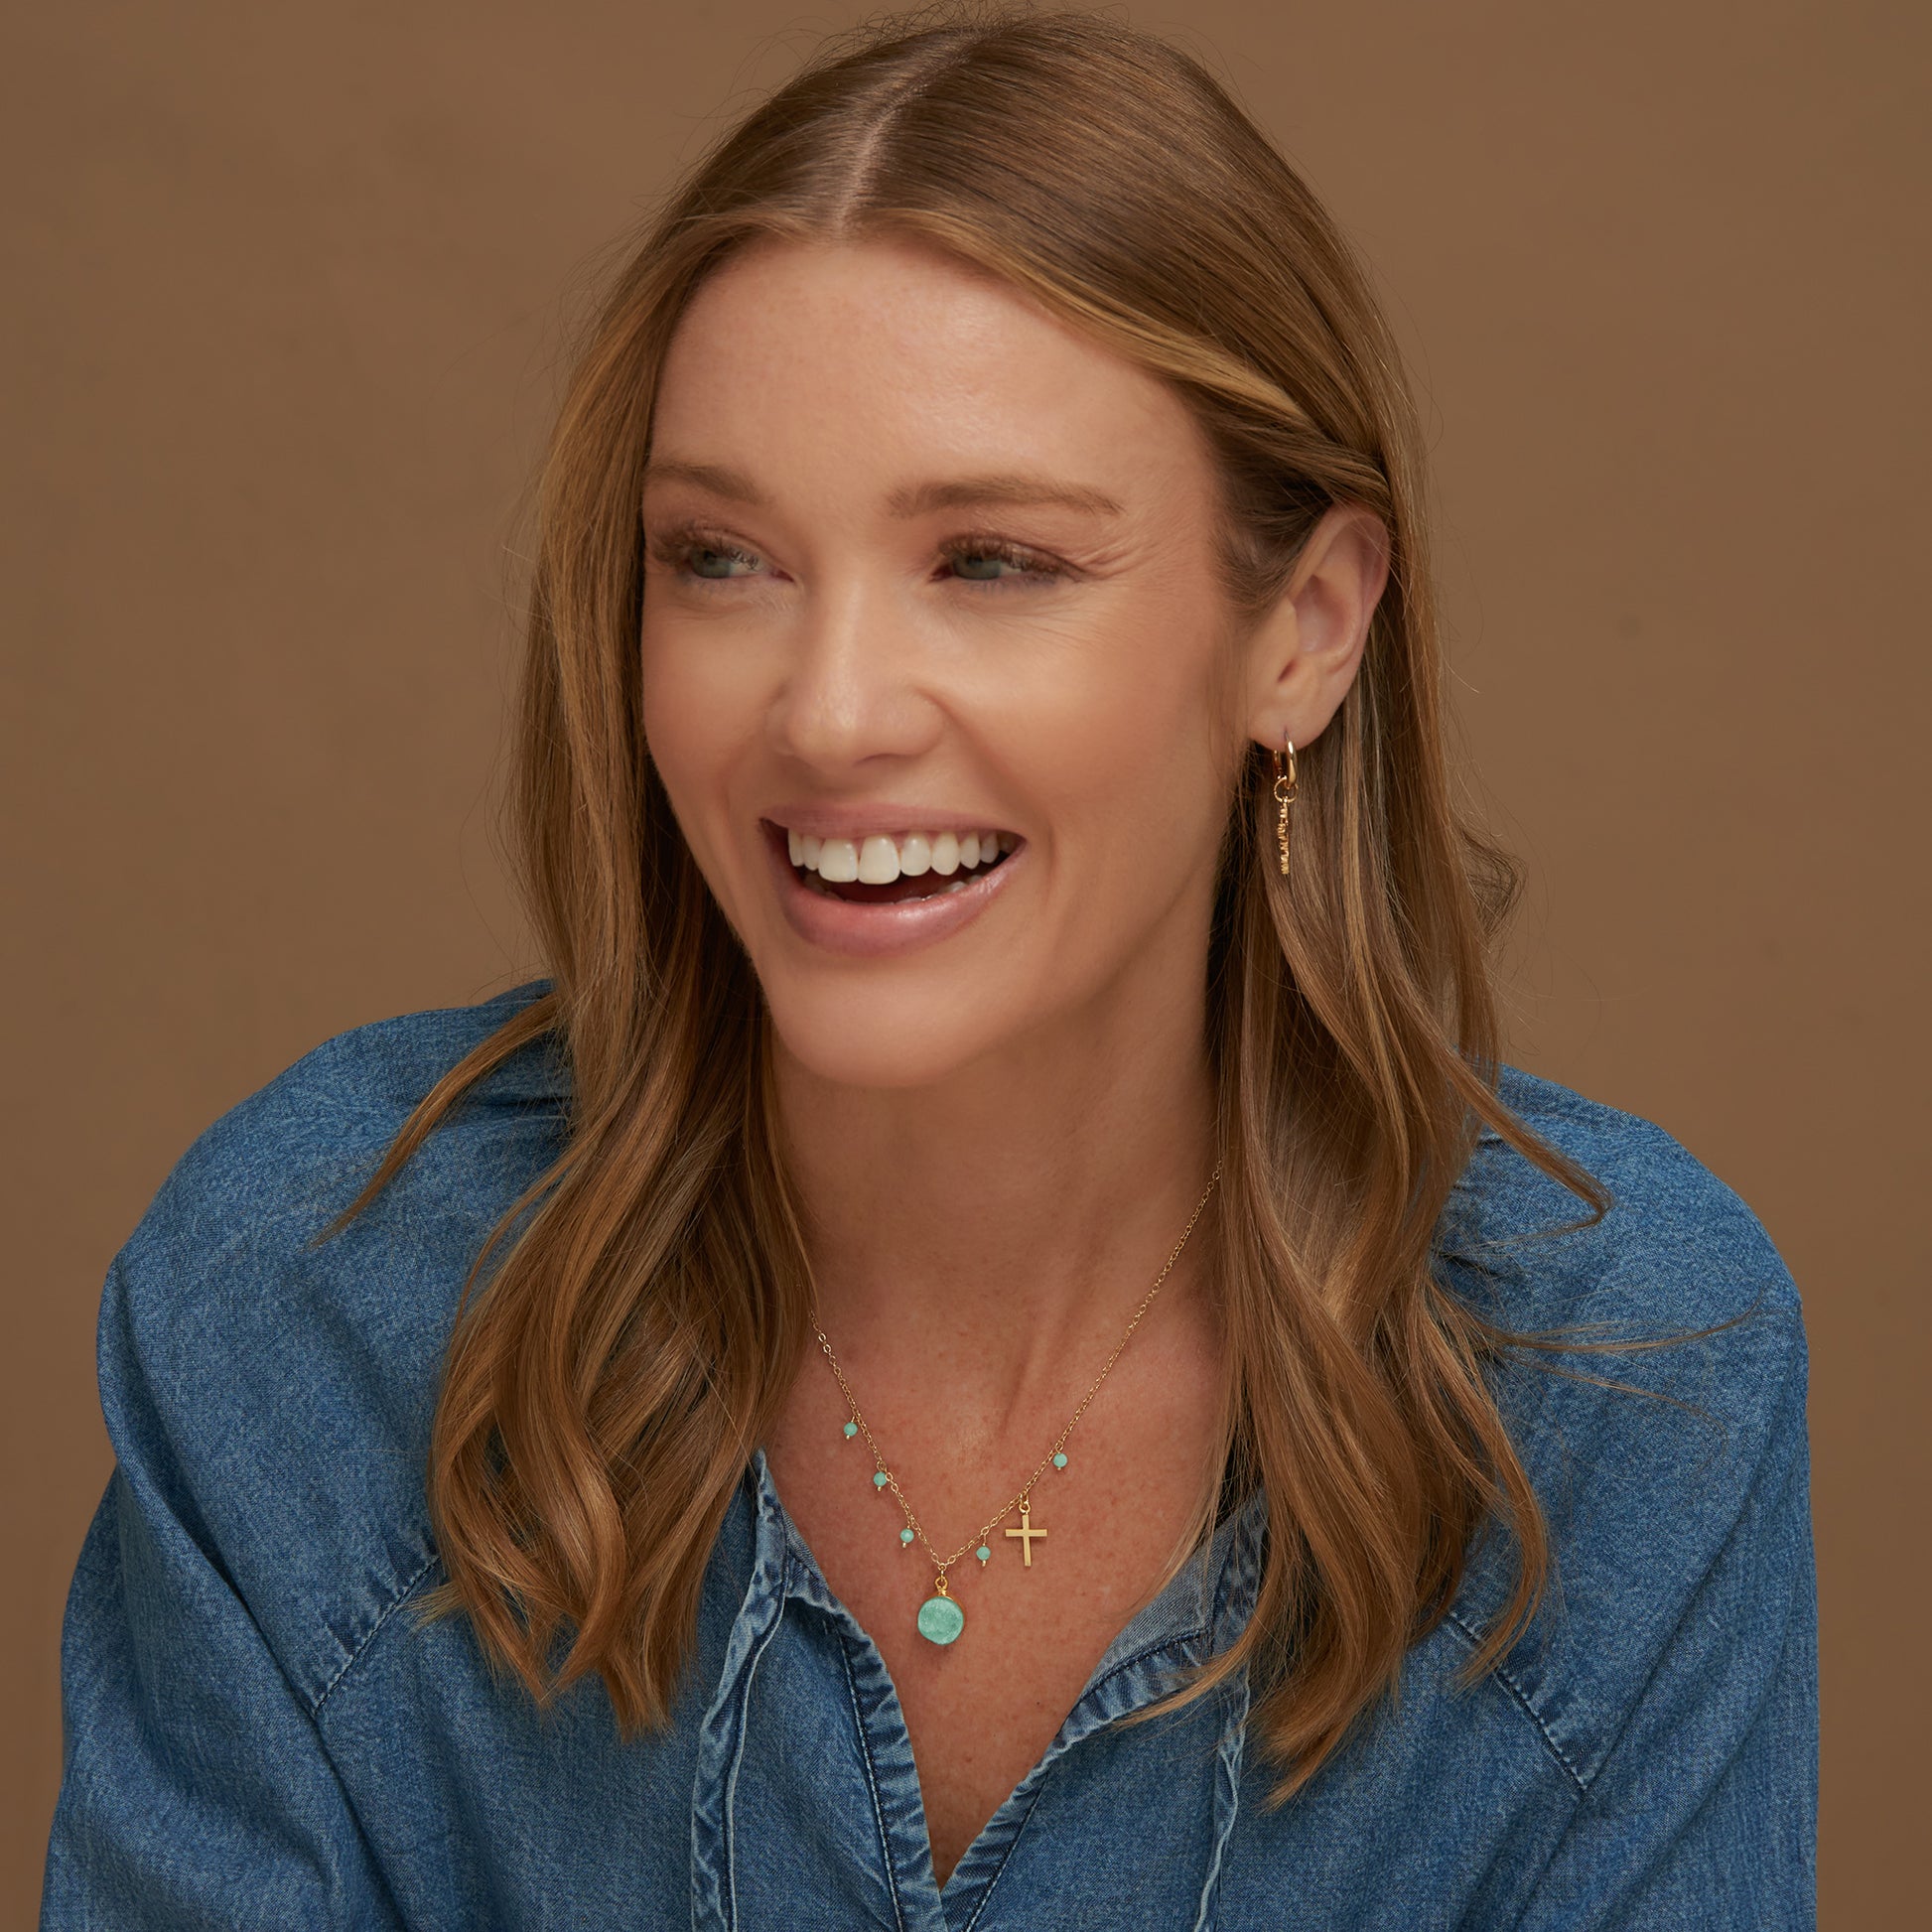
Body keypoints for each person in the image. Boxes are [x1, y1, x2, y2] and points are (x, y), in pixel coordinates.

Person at [41, 10, 1816, 1928]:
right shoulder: (299, 1316)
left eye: (989, 560)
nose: (823, 711)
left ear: (1302, 630)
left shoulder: (1631, 1390)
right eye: (720, 558)